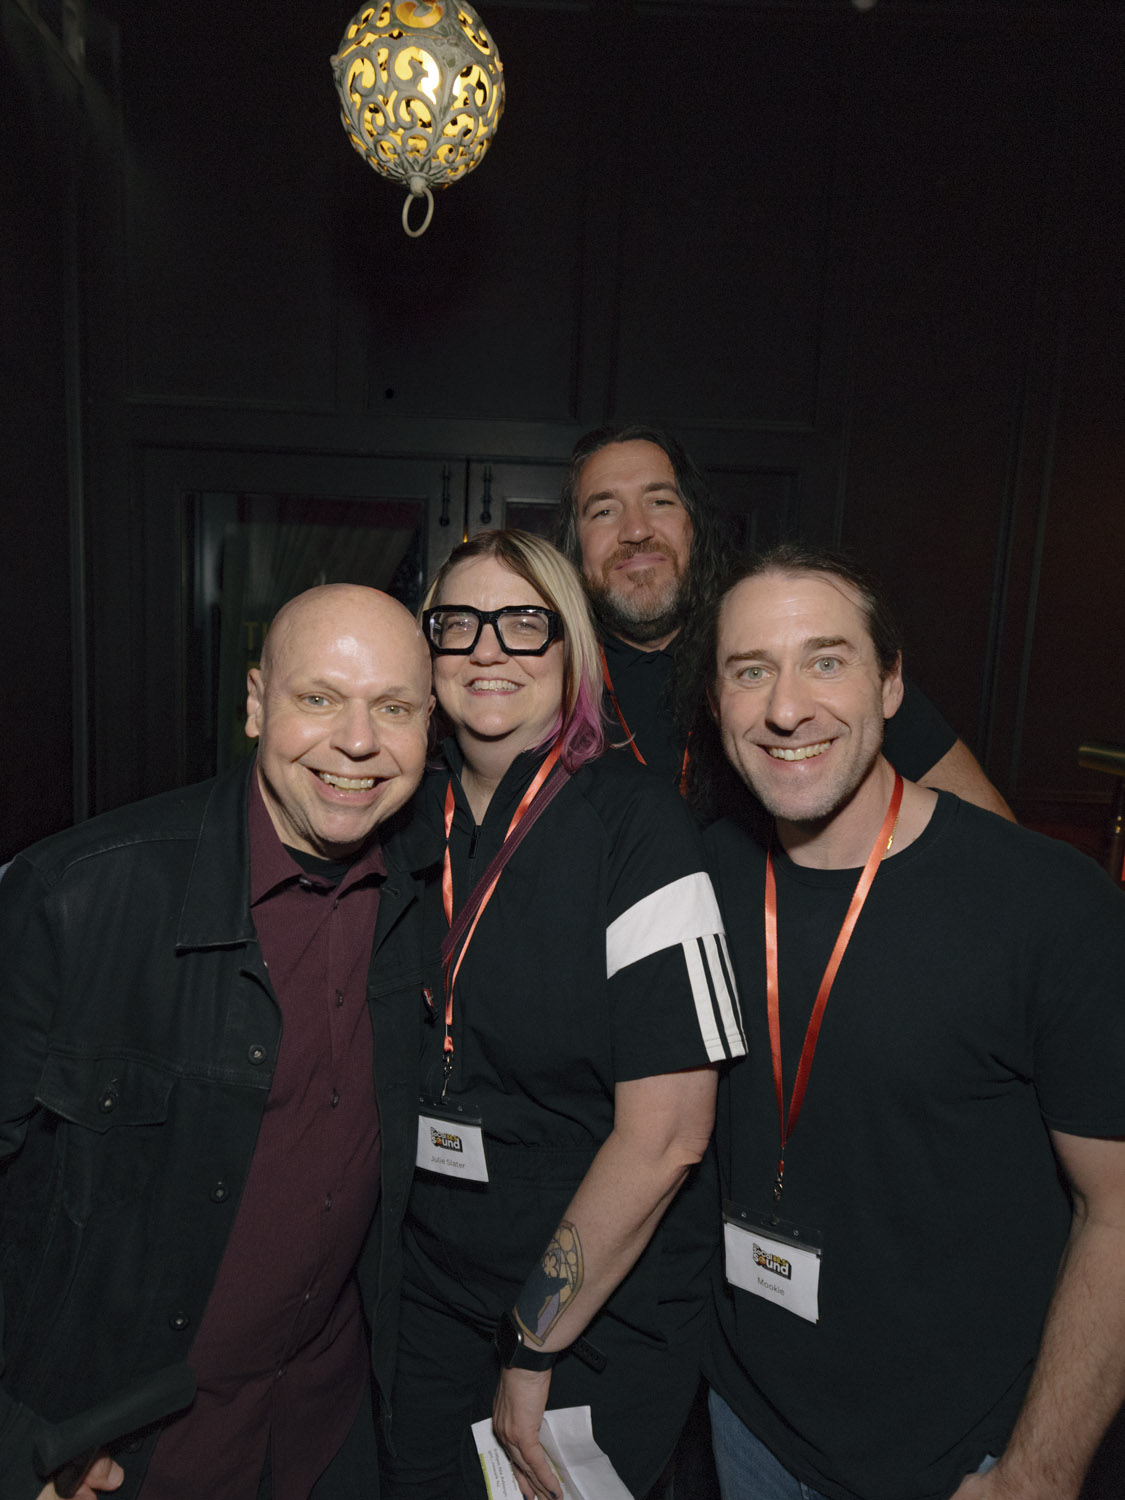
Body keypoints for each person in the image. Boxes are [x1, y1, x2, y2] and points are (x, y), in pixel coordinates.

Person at [683, 542, 1125, 1500]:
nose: (786, 708)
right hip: (749, 1423)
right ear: (715, 704)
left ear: (891, 686)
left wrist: (1036, 1474)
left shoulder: (1047, 904)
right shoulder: (698, 880)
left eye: (825, 661)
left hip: (963, 1456)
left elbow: (1118, 1209)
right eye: (749, 671)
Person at [0, 585, 437, 1500]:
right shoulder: (75, 899)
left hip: (327, 1437)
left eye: (393, 708)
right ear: (254, 703)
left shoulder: (425, 895)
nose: (358, 742)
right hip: (118, 1456)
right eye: (318, 698)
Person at [380, 530, 746, 1500]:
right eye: (458, 623)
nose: (487, 648)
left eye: (522, 622)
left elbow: (669, 1135)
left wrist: (532, 1341)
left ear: (570, 649)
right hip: (429, 1289)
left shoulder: (641, 827)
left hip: (596, 1311)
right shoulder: (399, 818)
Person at [555, 422, 1014, 817]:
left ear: (695, 525)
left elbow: (989, 827)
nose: (636, 529)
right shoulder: (547, 674)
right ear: (575, 545)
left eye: (660, 501)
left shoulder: (803, 648)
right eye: (604, 510)